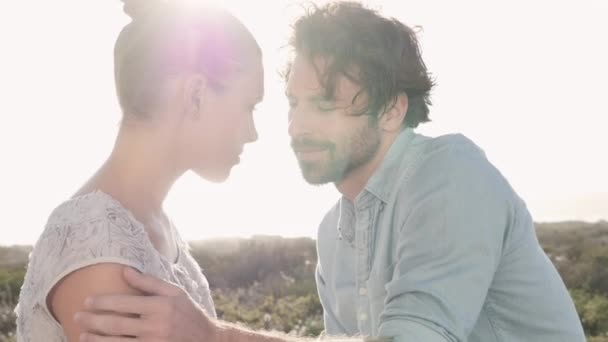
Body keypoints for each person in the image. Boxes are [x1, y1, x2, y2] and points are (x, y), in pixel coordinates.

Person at [73, 2, 586, 342]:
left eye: (324, 102)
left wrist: (215, 337)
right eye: (294, 101)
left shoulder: (450, 174)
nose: (297, 124)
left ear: (392, 111)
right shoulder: (334, 235)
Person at [14, 0, 263, 341]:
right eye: (249, 106)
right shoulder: (98, 245)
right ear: (196, 95)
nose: (253, 133)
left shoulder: (154, 227)